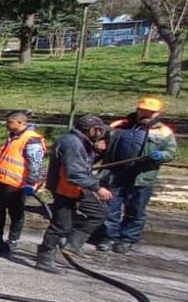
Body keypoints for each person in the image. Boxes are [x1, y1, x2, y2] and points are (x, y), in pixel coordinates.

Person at [96, 98, 177, 254]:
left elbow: (171, 153)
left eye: (150, 112)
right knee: (111, 207)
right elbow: (100, 143)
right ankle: (108, 237)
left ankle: (126, 239)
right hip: (116, 174)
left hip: (142, 177)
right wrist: (99, 146)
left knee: (136, 209)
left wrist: (161, 155)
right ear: (138, 109)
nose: (145, 114)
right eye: (143, 110)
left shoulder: (163, 132)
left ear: (158, 114)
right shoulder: (118, 125)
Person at [35, 115, 113, 274]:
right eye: (98, 130)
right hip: (65, 188)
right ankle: (44, 257)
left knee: (99, 212)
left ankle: (73, 244)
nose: (100, 133)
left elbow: (82, 165)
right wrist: (97, 188)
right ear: (89, 129)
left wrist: (98, 153)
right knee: (61, 225)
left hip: (77, 188)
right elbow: (75, 173)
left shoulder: (81, 142)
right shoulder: (72, 144)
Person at [0, 111, 45, 255]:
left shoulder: (32, 140)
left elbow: (36, 164)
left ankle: (12, 241)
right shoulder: (13, 137)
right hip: (3, 181)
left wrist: (31, 184)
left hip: (18, 185)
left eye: (10, 122)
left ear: (20, 123)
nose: (6, 125)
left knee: (15, 213)